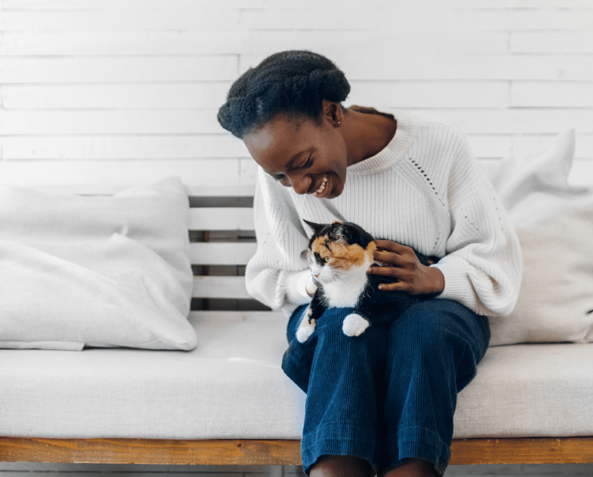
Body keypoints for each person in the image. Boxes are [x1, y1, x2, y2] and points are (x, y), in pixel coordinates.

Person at [216, 50, 522, 477]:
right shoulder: (282, 171)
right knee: (344, 332)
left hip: (433, 306)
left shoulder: (435, 145)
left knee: (422, 332)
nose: (300, 188)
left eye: (303, 165)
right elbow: (270, 275)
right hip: (335, 298)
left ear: (331, 113)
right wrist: (321, 283)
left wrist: (433, 277)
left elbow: (497, 265)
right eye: (283, 178)